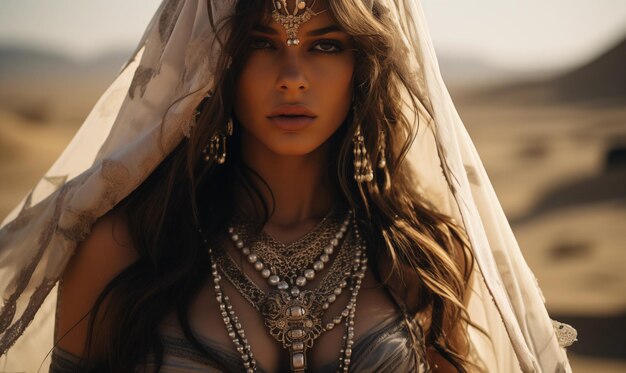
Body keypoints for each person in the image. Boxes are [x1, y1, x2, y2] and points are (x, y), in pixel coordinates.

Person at [0, 1, 575, 372]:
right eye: (260, 43)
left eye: (325, 44)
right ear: (216, 63)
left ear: (363, 66)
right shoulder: (124, 248)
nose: (293, 77)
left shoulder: (422, 255)